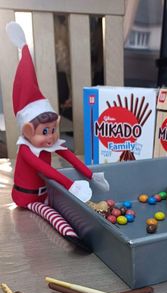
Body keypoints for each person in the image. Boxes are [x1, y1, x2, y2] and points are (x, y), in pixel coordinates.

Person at [6, 21, 109, 247]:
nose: (51, 136)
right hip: (28, 197)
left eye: (54, 129)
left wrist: (91, 175)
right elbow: (46, 170)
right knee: (48, 213)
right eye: (45, 131)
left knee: (66, 207)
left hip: (48, 192)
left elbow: (69, 156)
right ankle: (72, 238)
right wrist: (70, 185)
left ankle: (86, 230)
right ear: (28, 130)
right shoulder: (26, 150)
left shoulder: (49, 143)